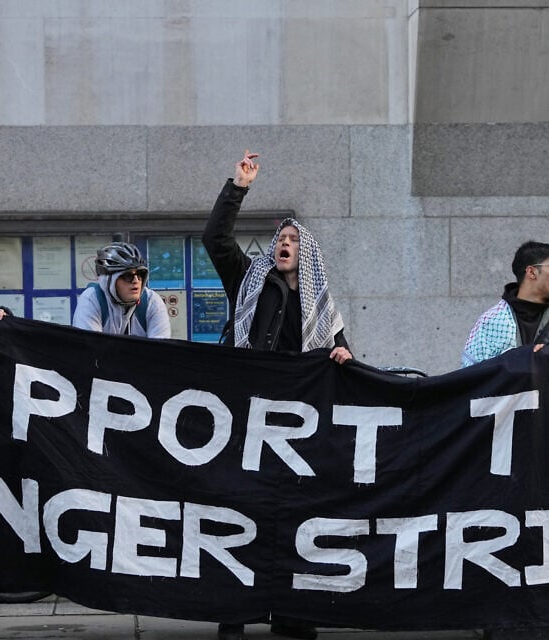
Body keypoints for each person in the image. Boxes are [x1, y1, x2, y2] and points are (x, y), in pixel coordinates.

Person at [202, 150, 352, 640]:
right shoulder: (248, 279)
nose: (283, 244)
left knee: (294, 518)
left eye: (292, 240)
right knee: (240, 513)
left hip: (297, 427)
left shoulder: (322, 303)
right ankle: (235, 613)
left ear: (304, 253)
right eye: (279, 238)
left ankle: (293, 613)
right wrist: (238, 187)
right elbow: (214, 239)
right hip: (247, 417)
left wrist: (343, 358)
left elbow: (342, 352)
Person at [461, 241, 549, 637]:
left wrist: (548, 363)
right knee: (501, 526)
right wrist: (525, 363)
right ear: (530, 272)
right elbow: (470, 378)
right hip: (501, 445)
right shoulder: (490, 322)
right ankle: (498, 611)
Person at [72, 240, 171, 338]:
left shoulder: (151, 302)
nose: (136, 280)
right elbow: (89, 348)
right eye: (128, 275)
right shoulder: (91, 300)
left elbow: (161, 350)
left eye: (140, 274)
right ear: (108, 280)